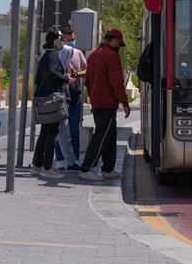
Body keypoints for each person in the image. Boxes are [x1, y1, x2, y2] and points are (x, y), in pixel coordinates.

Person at [78, 29, 131, 181]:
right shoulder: (112, 56)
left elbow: (87, 80)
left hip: (97, 102)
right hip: (107, 103)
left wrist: (93, 95)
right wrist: (125, 102)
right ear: (114, 41)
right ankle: (86, 168)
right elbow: (117, 83)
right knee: (101, 136)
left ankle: (108, 169)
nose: (118, 47)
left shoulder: (93, 55)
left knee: (109, 135)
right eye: (119, 44)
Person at [30, 29, 75, 179]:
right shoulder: (54, 54)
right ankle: (47, 167)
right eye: (61, 39)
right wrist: (66, 79)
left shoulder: (45, 56)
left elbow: (37, 80)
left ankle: (37, 165)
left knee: (44, 132)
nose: (63, 42)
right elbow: (52, 73)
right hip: (53, 99)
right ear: (56, 41)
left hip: (42, 99)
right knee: (52, 133)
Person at [54, 27, 87, 172]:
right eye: (69, 40)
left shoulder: (78, 53)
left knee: (74, 129)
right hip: (61, 96)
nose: (72, 42)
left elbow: (87, 70)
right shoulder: (57, 54)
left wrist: (77, 73)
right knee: (62, 130)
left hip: (75, 96)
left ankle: (74, 158)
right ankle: (60, 159)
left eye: (73, 39)